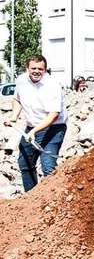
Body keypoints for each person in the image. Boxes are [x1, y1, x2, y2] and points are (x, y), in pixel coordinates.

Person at [4, 55, 68, 192]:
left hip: (53, 128)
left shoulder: (52, 85)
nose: (37, 71)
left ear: (45, 70)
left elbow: (53, 115)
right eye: (33, 68)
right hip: (31, 126)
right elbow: (17, 99)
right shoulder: (21, 81)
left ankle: (54, 200)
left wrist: (33, 132)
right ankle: (31, 197)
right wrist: (14, 116)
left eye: (40, 69)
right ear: (28, 68)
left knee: (48, 166)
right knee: (25, 163)